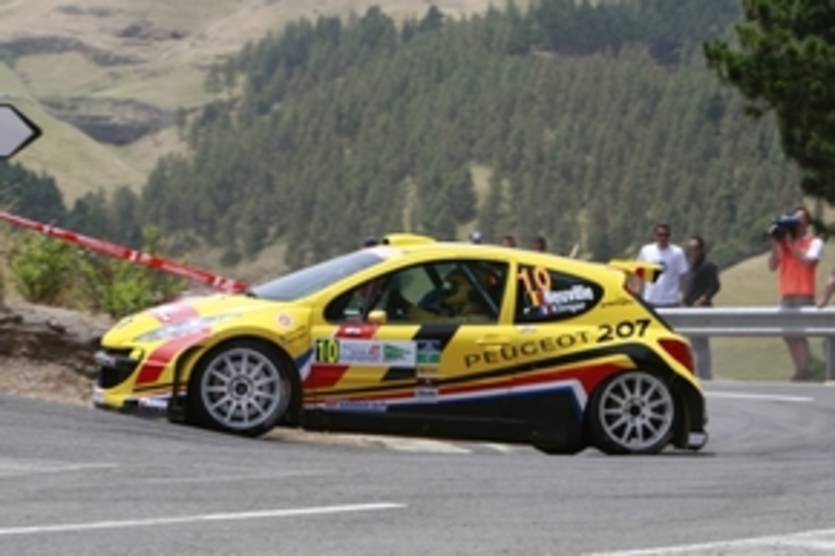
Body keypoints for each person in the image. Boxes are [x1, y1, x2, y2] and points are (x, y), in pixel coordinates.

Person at [769, 206, 823, 381]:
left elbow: (807, 262)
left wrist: (791, 244)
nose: (797, 223)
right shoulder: (785, 243)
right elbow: (773, 266)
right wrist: (775, 243)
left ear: (807, 223)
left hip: (803, 293)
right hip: (787, 293)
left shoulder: (814, 242)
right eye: (795, 219)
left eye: (800, 220)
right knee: (788, 334)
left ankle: (805, 370)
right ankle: (802, 369)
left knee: (799, 333)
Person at [683, 235, 721, 380]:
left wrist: (703, 299)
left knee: (702, 343)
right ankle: (697, 373)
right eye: (690, 248)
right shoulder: (689, 266)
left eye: (696, 248)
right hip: (689, 310)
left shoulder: (708, 266)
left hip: (702, 309)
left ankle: (705, 375)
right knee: (693, 343)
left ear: (701, 249)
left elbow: (715, 286)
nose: (693, 251)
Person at [637, 224, 688, 307]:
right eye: (660, 235)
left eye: (666, 235)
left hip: (671, 300)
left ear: (670, 236)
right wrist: (639, 293)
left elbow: (683, 275)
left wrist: (681, 294)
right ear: (655, 236)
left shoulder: (677, 252)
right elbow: (640, 273)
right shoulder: (646, 250)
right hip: (650, 299)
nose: (663, 238)